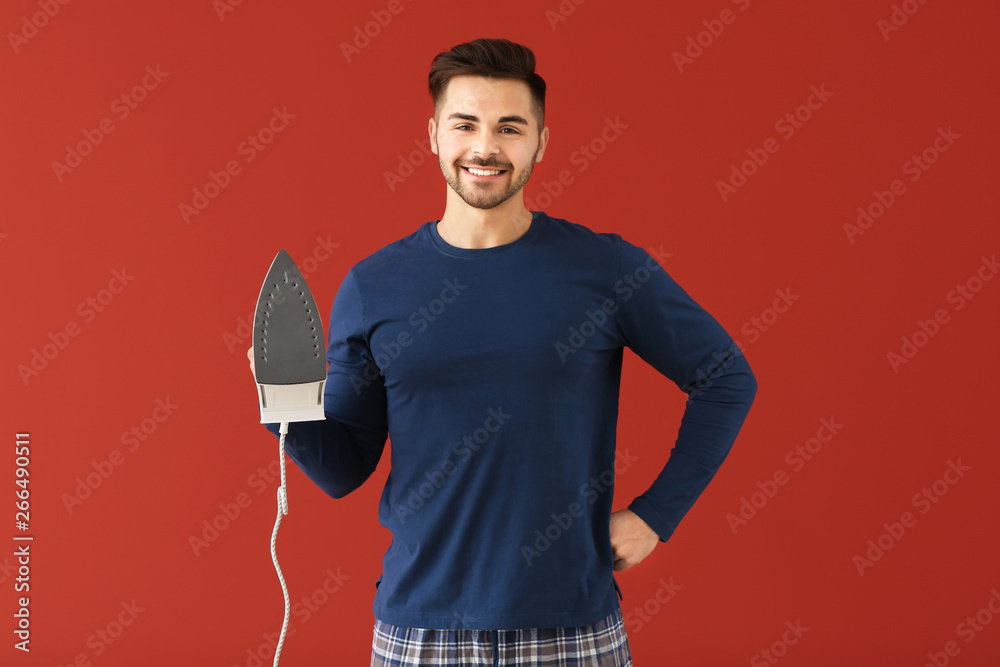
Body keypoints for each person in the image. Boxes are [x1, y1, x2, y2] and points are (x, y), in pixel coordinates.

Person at [248, 37, 756, 667]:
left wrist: (656, 515)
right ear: (433, 135)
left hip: (571, 627)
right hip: (420, 631)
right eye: (465, 124)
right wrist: (282, 401)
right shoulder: (373, 285)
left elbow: (725, 377)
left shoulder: (605, 268)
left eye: (509, 128)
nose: (485, 147)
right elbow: (343, 469)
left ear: (541, 142)